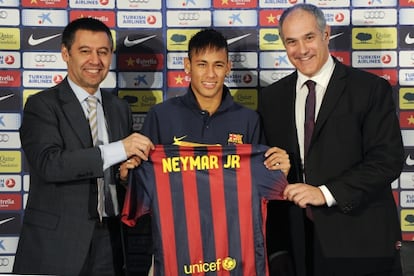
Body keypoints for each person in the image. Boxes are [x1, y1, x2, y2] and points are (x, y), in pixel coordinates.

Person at [123, 28, 291, 275]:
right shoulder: (161, 116)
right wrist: (128, 177)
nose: (210, 74)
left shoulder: (249, 120)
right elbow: (142, 182)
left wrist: (281, 173)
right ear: (187, 66)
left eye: (218, 65)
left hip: (234, 255)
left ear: (228, 67)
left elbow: (265, 187)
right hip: (176, 254)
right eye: (202, 64)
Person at [258, 3, 404, 276]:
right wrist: (277, 248)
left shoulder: (370, 89)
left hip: (361, 244)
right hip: (298, 247)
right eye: (291, 41)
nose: (301, 50)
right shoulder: (271, 99)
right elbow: (268, 173)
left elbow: (387, 161)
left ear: (326, 35)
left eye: (309, 37)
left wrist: (325, 193)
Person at [13, 17, 154, 276]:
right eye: (85, 51)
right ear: (65, 53)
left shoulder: (119, 108)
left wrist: (125, 175)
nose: (95, 60)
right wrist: (119, 149)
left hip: (112, 240)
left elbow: (120, 174)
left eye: (103, 52)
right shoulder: (42, 105)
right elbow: (50, 164)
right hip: (58, 246)